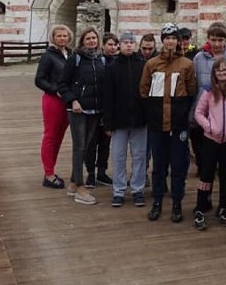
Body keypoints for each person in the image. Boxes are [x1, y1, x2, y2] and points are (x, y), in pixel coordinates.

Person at [140, 23, 197, 222]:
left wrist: (181, 114)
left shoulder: (186, 64)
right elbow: (144, 90)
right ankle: (157, 202)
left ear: (178, 41)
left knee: (179, 165)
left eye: (174, 38)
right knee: (158, 165)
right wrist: (153, 113)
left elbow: (191, 91)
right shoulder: (152, 64)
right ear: (162, 40)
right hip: (157, 123)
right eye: (167, 38)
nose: (171, 41)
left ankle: (177, 204)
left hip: (178, 124)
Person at [192, 58, 226, 230]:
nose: (222, 73)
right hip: (211, 140)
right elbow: (198, 113)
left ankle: (224, 206)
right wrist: (208, 126)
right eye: (218, 70)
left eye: (225, 70)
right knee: (206, 175)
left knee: (225, 176)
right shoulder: (208, 92)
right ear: (214, 73)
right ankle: (200, 207)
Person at [59, 27, 105, 205]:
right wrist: (73, 101)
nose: (92, 41)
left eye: (94, 38)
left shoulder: (101, 58)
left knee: (85, 146)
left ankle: (72, 182)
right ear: (82, 41)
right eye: (88, 39)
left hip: (94, 109)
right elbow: (62, 84)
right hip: (78, 109)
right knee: (79, 147)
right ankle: (80, 186)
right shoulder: (75, 59)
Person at [103, 31, 148, 208]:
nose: (128, 45)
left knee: (139, 156)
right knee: (118, 156)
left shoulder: (143, 65)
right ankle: (119, 190)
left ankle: (137, 189)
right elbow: (108, 96)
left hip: (139, 119)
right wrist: (107, 121)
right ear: (119, 46)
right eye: (125, 42)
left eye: (131, 42)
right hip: (119, 120)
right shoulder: (112, 67)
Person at [34, 24, 73, 189]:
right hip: (53, 100)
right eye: (59, 36)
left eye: (65, 36)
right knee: (50, 135)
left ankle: (50, 170)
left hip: (67, 100)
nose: (62, 38)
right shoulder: (48, 56)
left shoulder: (70, 54)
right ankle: (49, 174)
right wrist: (55, 90)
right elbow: (39, 79)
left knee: (59, 136)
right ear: (53, 38)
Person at [81, 33, 117, 188]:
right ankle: (90, 173)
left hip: (107, 108)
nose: (113, 47)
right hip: (93, 107)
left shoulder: (116, 61)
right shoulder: (98, 60)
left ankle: (102, 172)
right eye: (110, 44)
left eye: (115, 44)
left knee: (105, 142)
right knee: (91, 142)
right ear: (103, 46)